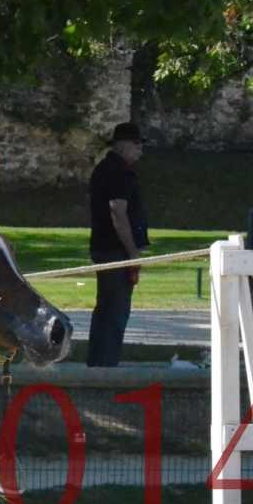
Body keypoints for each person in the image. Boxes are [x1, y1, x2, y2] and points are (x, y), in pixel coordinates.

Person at [86, 121, 149, 367]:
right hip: (115, 250)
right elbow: (118, 211)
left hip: (106, 247)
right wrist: (132, 251)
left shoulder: (105, 168)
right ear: (123, 145)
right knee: (115, 311)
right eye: (137, 144)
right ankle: (106, 364)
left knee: (107, 309)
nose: (140, 150)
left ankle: (99, 361)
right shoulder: (118, 171)